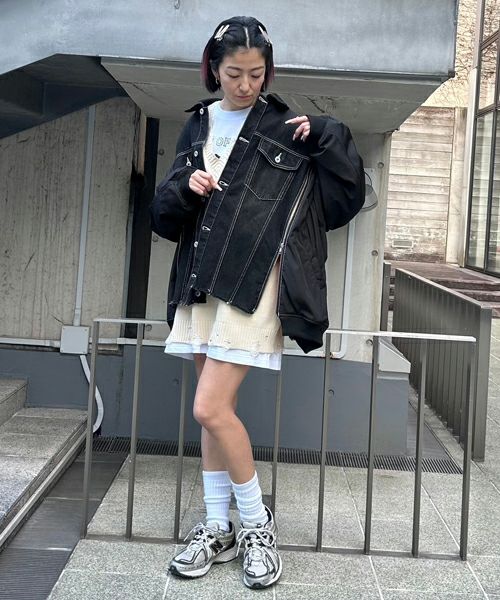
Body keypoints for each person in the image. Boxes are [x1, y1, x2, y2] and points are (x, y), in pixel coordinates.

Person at [150, 15, 365, 590]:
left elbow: (343, 199)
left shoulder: (285, 126)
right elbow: (163, 215)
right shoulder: (197, 124)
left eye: (256, 73)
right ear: (213, 70)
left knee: (209, 408)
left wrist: (327, 133)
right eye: (234, 73)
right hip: (200, 280)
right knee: (212, 410)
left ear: (268, 71)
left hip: (253, 285)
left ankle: (255, 527)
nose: (246, 84)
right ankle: (216, 526)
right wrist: (185, 187)